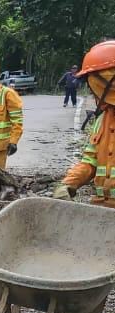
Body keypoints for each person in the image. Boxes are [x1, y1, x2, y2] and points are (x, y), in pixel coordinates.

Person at [56, 41, 115, 207]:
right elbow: (90, 161)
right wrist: (68, 183)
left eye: (92, 84)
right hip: (102, 208)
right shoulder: (102, 119)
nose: (91, 91)